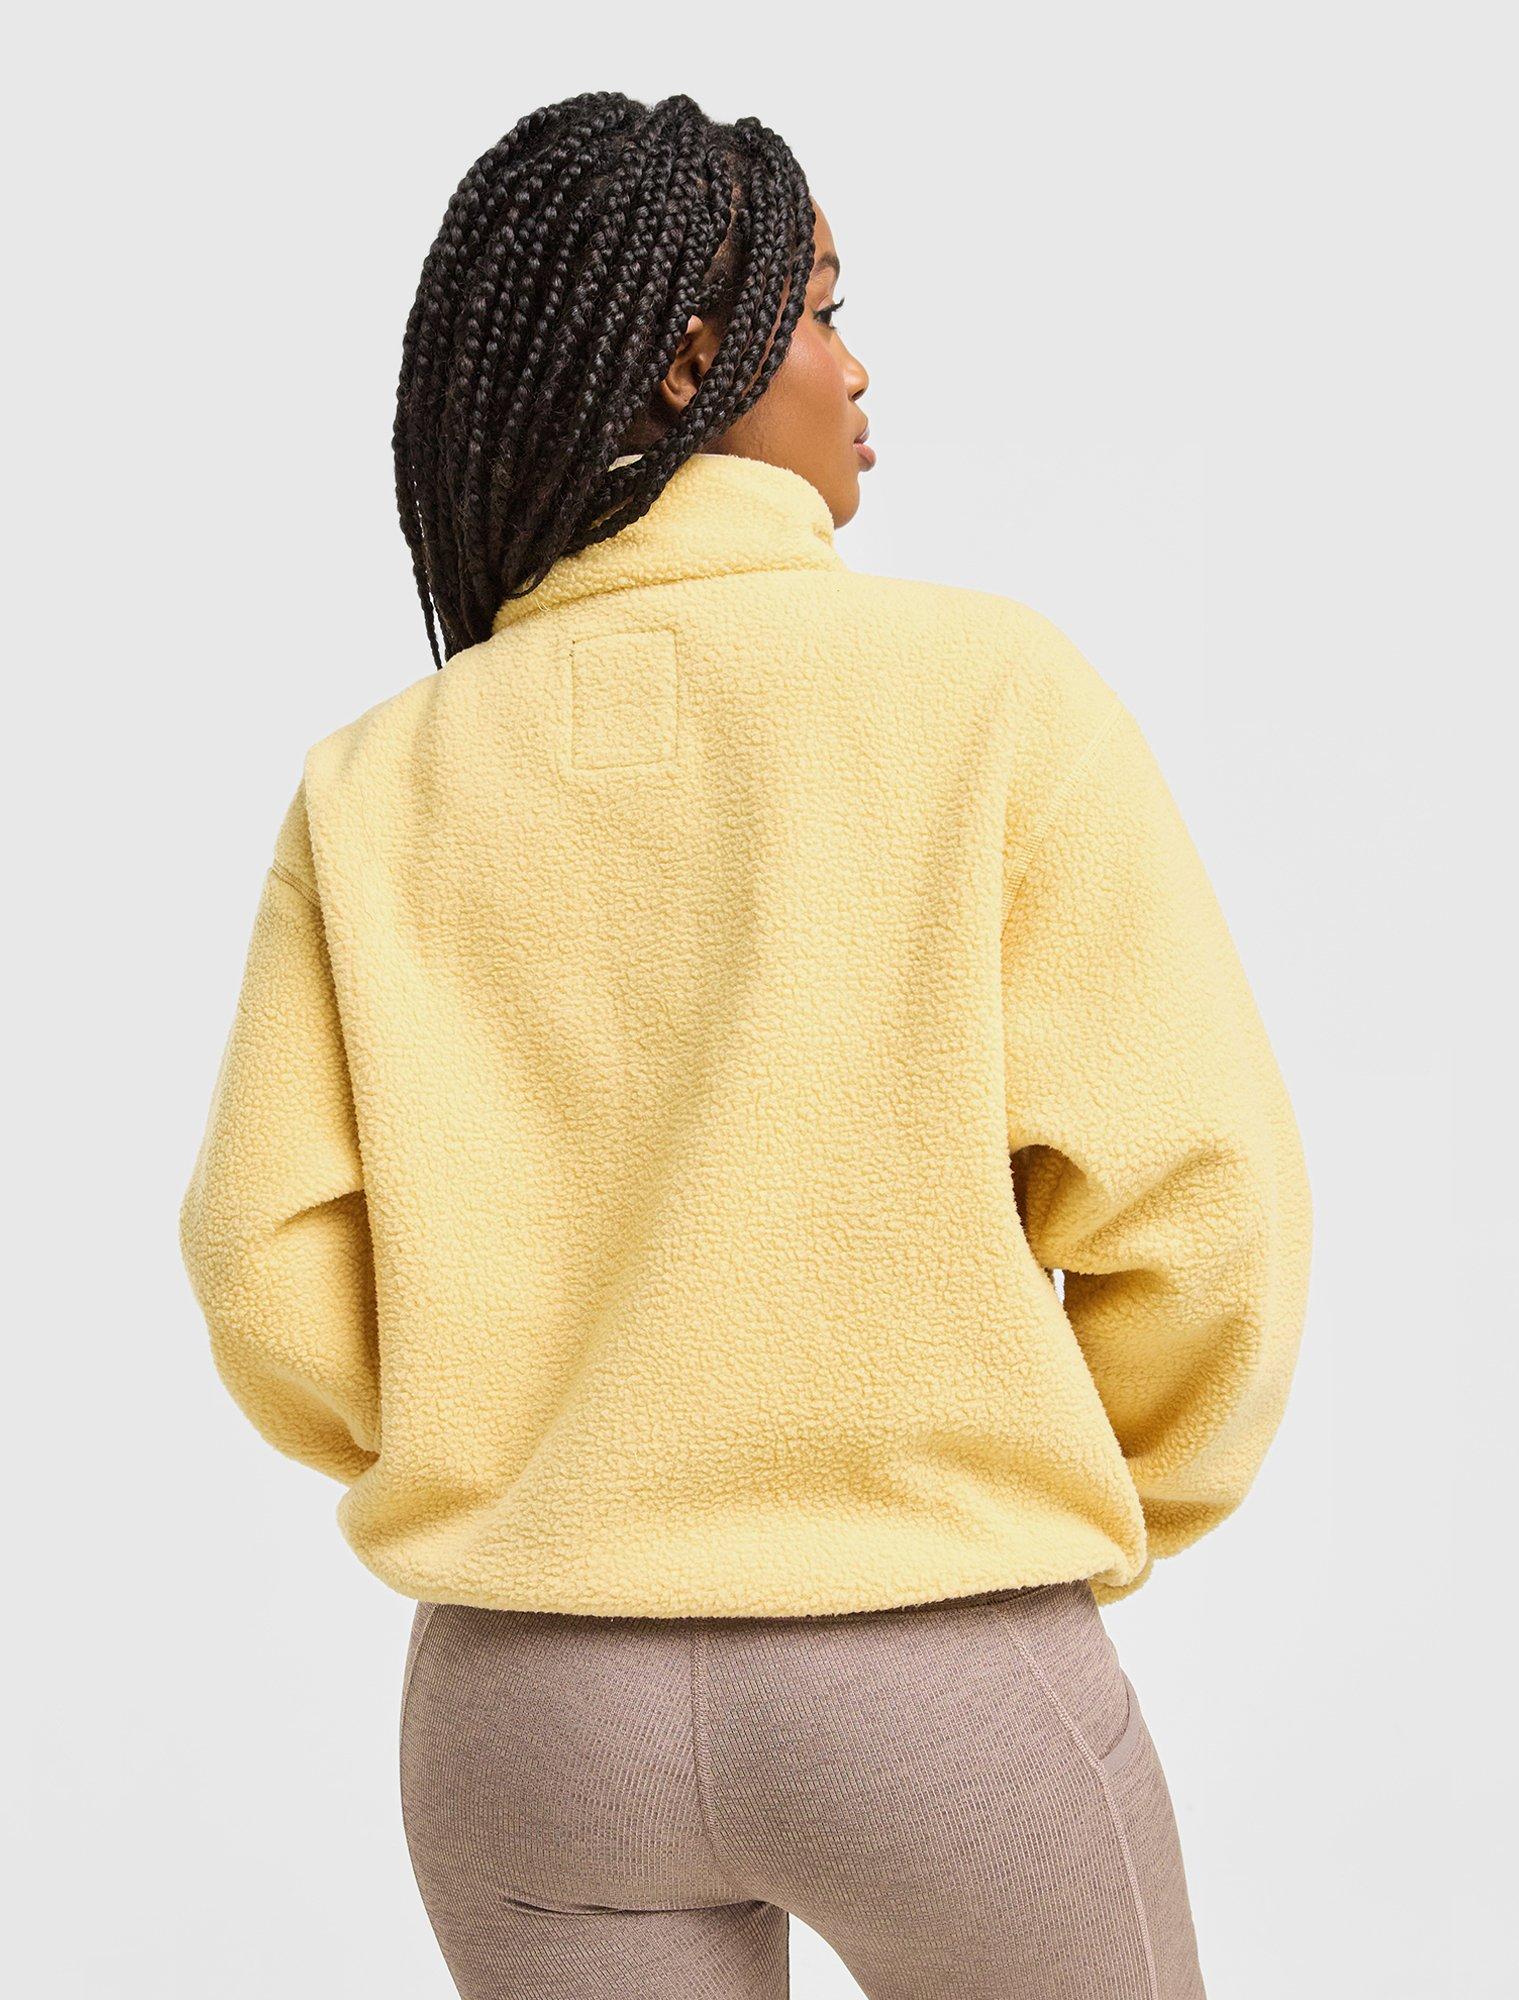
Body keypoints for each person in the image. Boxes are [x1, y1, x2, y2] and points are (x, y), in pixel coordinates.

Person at [179, 90, 1312, 1999]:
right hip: (933, 1657)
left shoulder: (378, 780)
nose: (857, 369)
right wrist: (1092, 1494)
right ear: (691, 358)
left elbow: (263, 1262)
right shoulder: (988, 695)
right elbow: (1202, 1208)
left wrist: (523, 1446)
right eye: (825, 310)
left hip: (530, 1713)